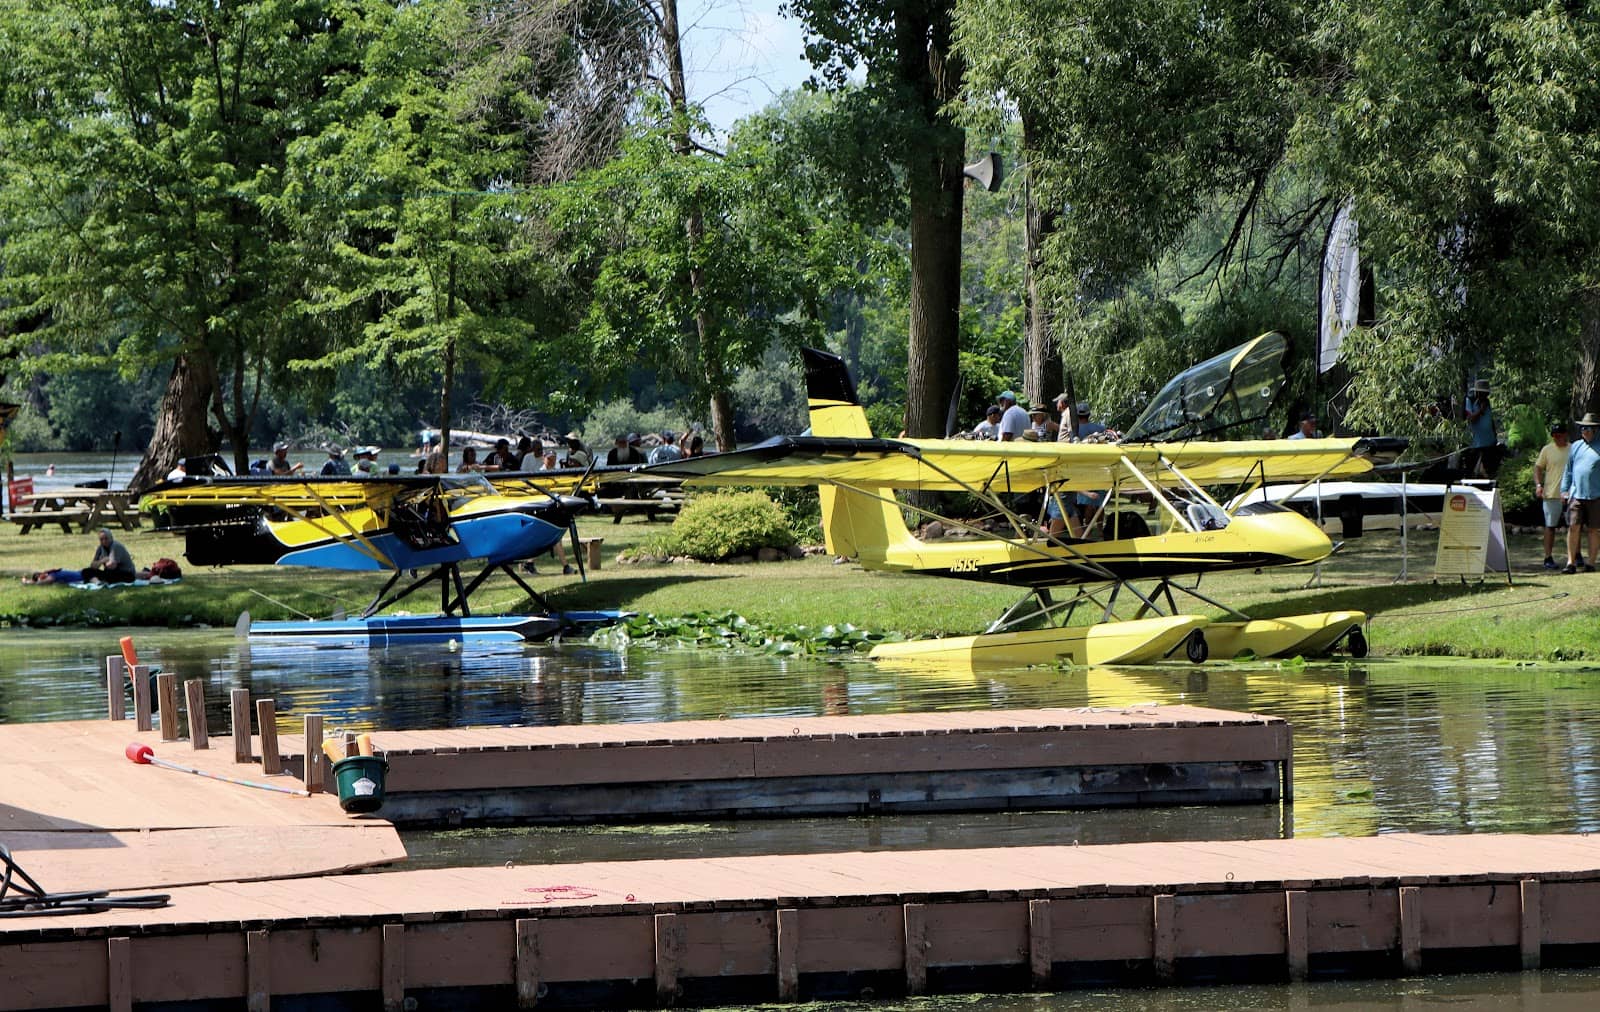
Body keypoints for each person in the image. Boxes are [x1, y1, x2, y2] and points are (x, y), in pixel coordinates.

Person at [1560, 413, 1600, 574]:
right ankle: (1571, 562)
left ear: (1595, 429)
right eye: (1583, 428)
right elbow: (1568, 470)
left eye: (1588, 428)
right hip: (1576, 494)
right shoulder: (1576, 446)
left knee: (1594, 529)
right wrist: (1564, 490)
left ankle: (1590, 563)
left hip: (1597, 495)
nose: (1585, 430)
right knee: (1573, 527)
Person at [24, 528, 137, 585]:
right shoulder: (100, 548)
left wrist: (103, 562)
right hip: (112, 573)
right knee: (87, 571)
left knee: (91, 573)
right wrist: (103, 560)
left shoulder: (115, 546)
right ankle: (98, 582)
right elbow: (93, 565)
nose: (104, 541)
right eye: (101, 539)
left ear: (111, 538)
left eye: (106, 538)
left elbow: (112, 566)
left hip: (125, 574)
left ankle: (98, 583)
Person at [1534, 423, 1571, 570]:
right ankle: (1548, 557)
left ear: (1565, 434)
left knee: (1574, 526)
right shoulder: (1547, 450)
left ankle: (1576, 555)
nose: (1557, 438)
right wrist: (1538, 485)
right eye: (1554, 436)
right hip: (1551, 494)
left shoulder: (1573, 448)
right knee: (1550, 527)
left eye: (1559, 435)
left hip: (1571, 494)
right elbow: (1537, 467)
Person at [1465, 379, 1500, 476]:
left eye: (1486, 393)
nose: (1485, 396)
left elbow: (1490, 419)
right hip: (1475, 442)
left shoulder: (1487, 402)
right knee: (1471, 469)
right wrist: (1481, 410)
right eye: (1482, 393)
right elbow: (1470, 419)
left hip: (1489, 441)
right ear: (1477, 392)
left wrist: (1494, 434)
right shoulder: (1470, 401)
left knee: (1490, 469)